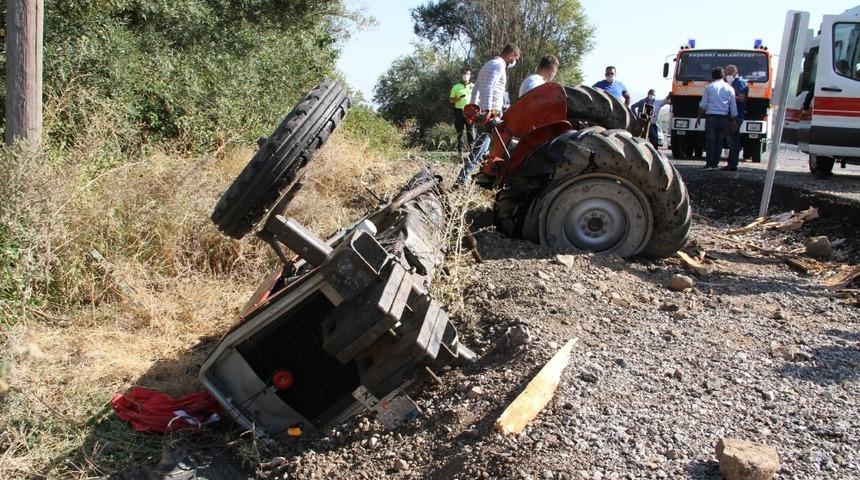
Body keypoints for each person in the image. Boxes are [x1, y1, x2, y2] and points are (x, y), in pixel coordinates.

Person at [457, 43, 521, 183]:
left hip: (490, 111)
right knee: (484, 146)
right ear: (511, 55)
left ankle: (476, 178)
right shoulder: (499, 65)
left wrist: (473, 106)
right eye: (515, 58)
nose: (514, 62)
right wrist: (488, 111)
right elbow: (489, 87)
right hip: (493, 112)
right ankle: (463, 179)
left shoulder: (488, 64)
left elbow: (476, 88)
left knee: (487, 147)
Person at [695, 67, 738, 170]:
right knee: (719, 141)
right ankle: (715, 164)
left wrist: (699, 117)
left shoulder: (709, 87)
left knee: (710, 140)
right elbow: (733, 106)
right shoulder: (730, 88)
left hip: (711, 117)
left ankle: (709, 164)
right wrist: (734, 120)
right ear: (723, 75)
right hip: (724, 118)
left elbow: (703, 104)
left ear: (712, 76)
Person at [724, 64, 749, 171]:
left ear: (735, 72)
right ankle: (731, 163)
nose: (727, 75)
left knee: (733, 140)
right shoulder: (734, 83)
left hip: (736, 115)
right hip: (733, 114)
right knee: (732, 139)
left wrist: (729, 96)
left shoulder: (740, 83)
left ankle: (732, 164)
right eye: (726, 74)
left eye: (729, 73)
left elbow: (741, 98)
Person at [449, 67, 475, 155]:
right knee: (459, 132)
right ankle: (460, 152)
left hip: (470, 112)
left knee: (470, 131)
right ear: (461, 75)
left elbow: (479, 98)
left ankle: (472, 151)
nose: (466, 75)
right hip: (459, 111)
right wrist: (456, 99)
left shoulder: (473, 86)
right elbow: (451, 100)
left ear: (470, 75)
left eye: (468, 74)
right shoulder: (456, 87)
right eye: (464, 73)